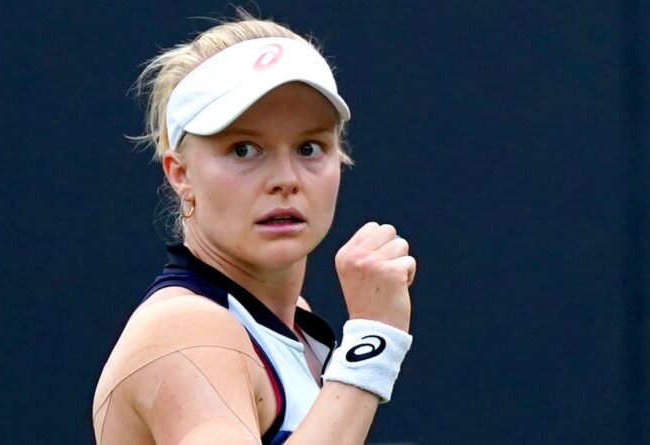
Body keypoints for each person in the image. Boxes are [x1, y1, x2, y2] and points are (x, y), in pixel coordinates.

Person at [93, 11, 417, 445]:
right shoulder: (187, 332)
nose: (286, 177)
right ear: (180, 173)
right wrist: (372, 344)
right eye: (244, 149)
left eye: (309, 147)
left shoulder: (296, 324)